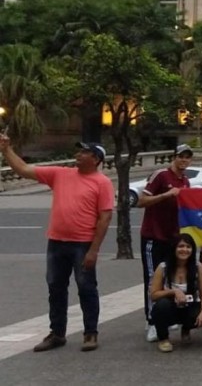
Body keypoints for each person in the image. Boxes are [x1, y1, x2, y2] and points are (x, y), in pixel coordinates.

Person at [0, 137, 113, 353]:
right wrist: (6, 150)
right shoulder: (60, 174)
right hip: (57, 242)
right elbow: (24, 169)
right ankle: (57, 333)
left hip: (82, 244)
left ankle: (90, 332)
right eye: (78, 151)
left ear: (96, 159)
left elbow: (105, 218)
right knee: (55, 288)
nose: (78, 155)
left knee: (86, 288)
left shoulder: (102, 183)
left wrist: (94, 250)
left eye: (84, 152)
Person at [139, 143, 193, 342]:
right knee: (152, 279)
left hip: (172, 238)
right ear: (174, 157)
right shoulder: (161, 175)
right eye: (181, 156)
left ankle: (165, 316)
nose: (184, 160)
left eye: (187, 157)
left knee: (169, 279)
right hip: (153, 236)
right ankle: (152, 321)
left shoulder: (185, 181)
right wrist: (166, 195)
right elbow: (142, 201)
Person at [149, 234, 202, 352]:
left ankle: (186, 329)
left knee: (200, 311)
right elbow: (154, 295)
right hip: (170, 307)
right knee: (161, 306)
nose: (184, 250)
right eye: (181, 246)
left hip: (190, 306)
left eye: (188, 247)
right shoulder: (163, 267)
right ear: (174, 248)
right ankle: (163, 338)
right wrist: (174, 291)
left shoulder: (198, 267)